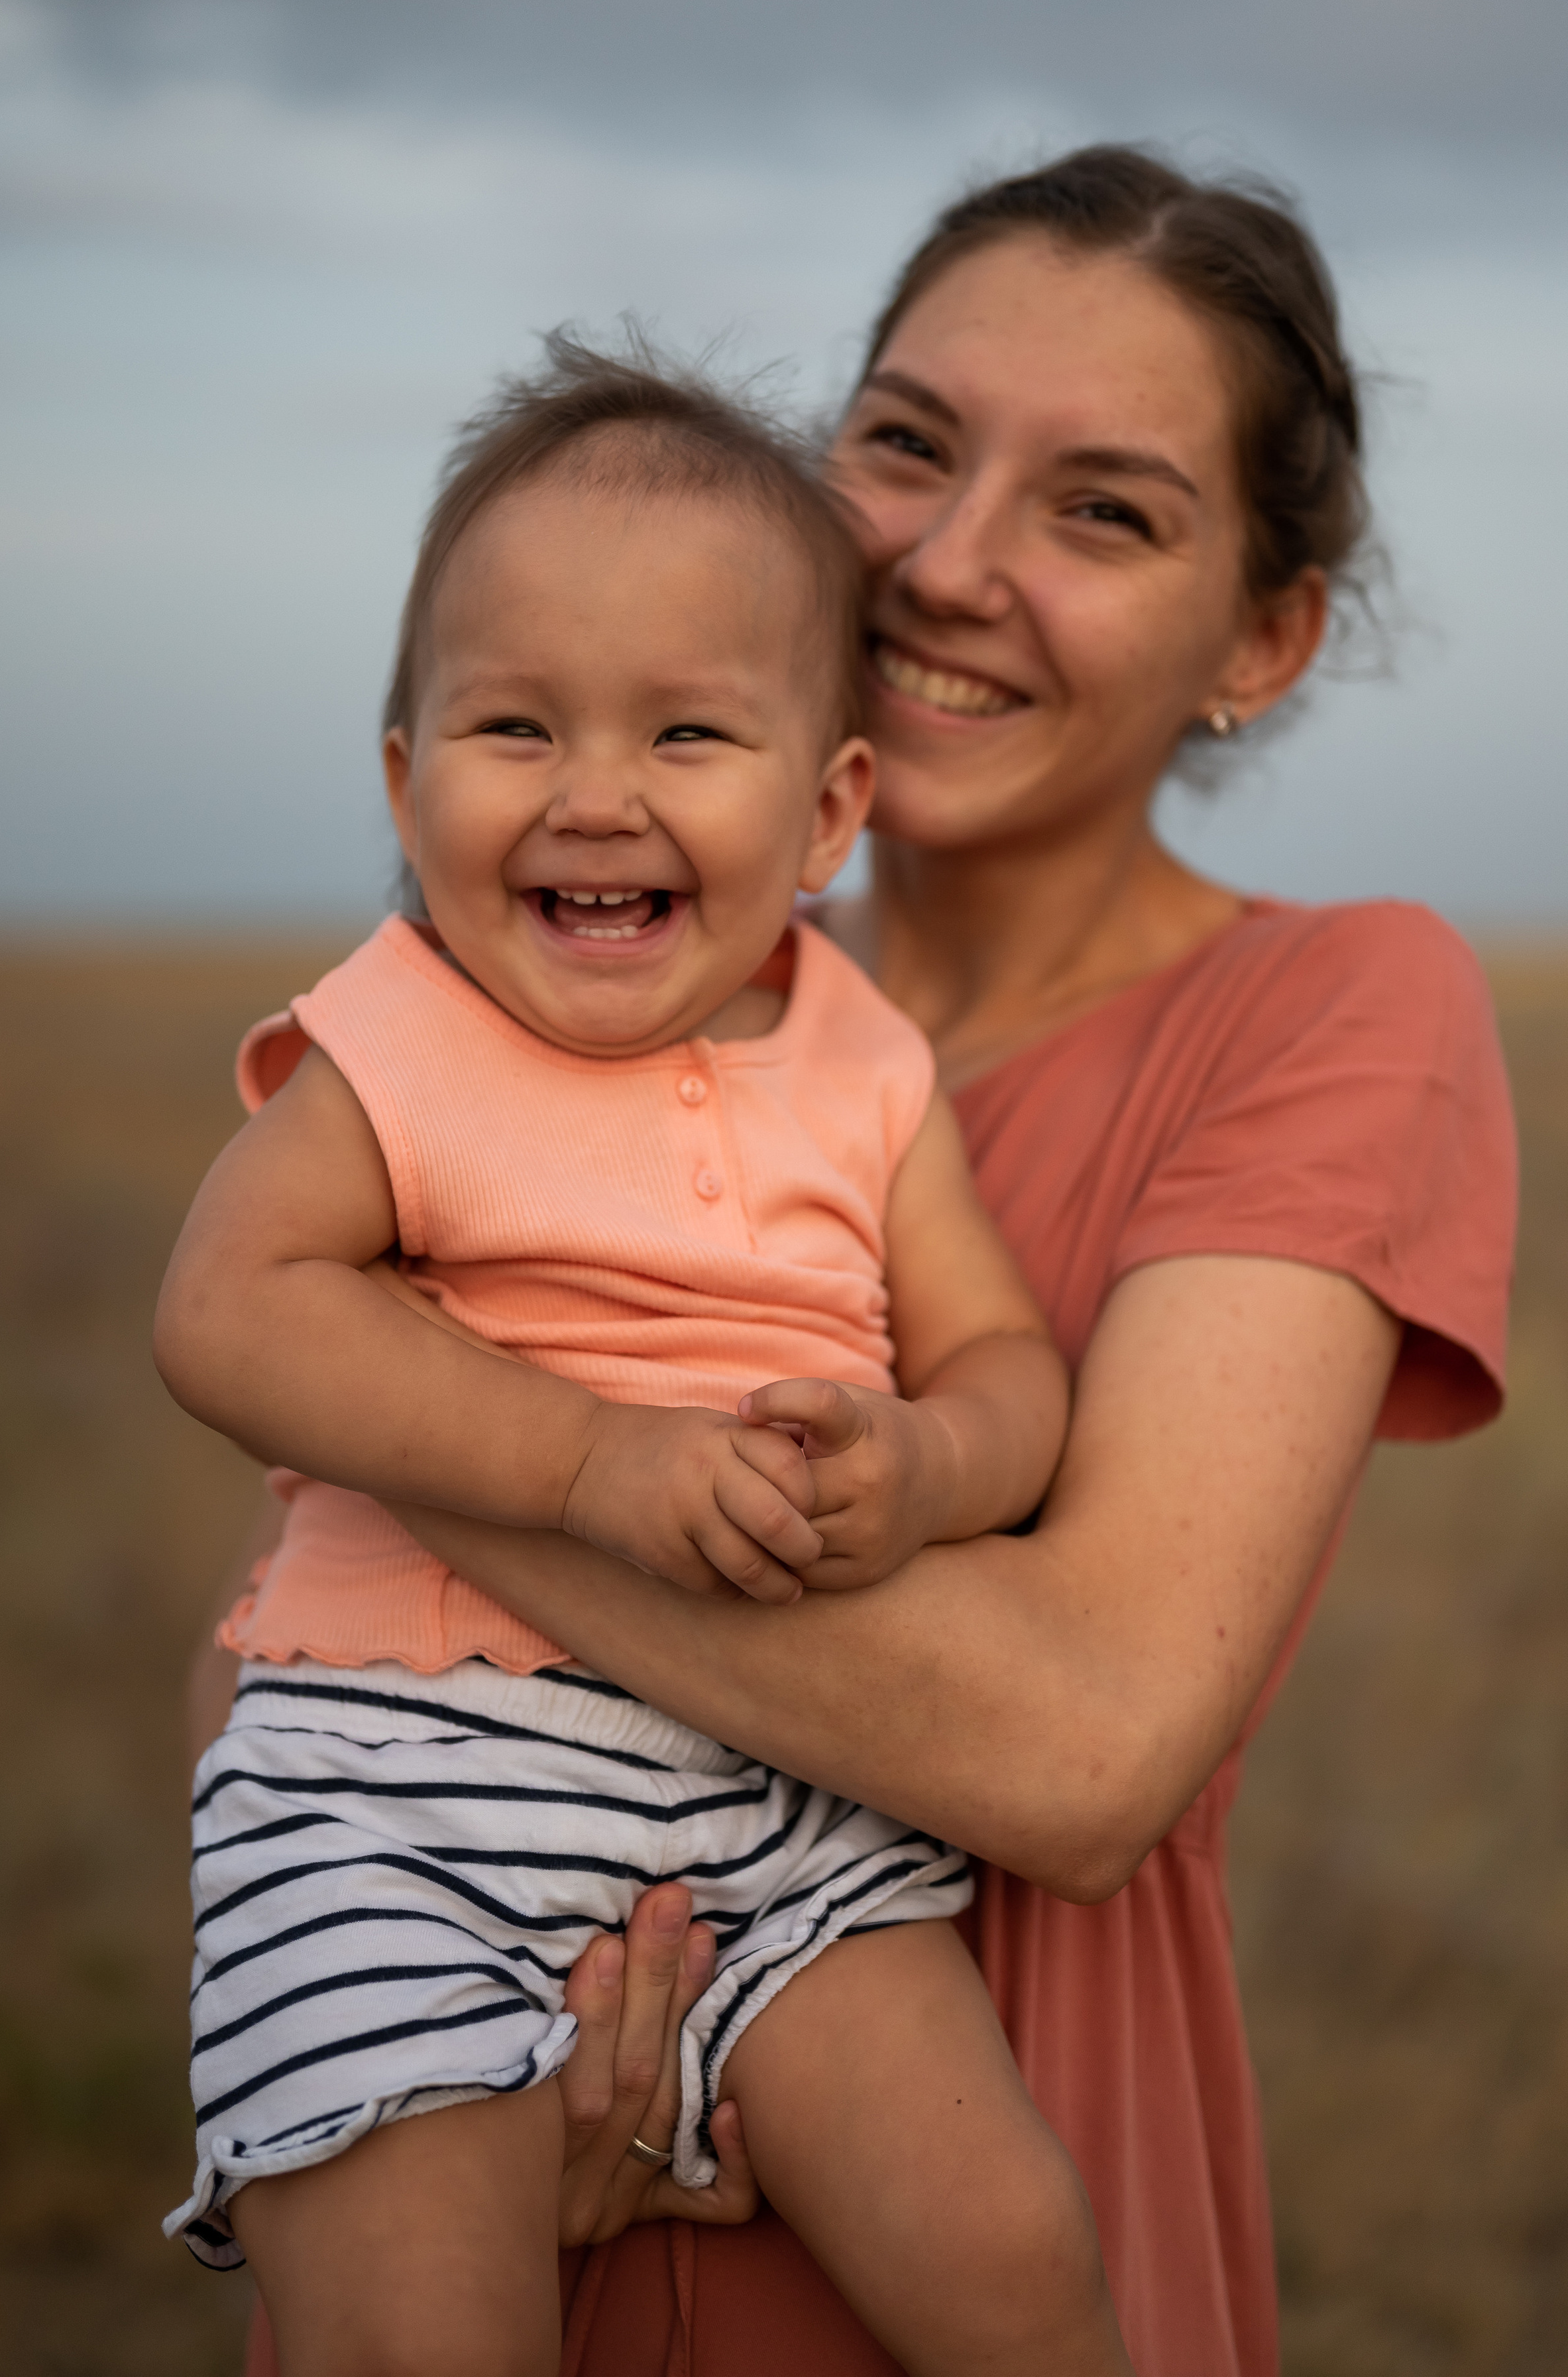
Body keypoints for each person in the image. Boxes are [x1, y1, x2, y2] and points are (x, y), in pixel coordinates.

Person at [206, 146, 1516, 2377]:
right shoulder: (584, 973)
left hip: (970, 2123)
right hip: (522, 2167)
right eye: (905, 441)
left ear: (1264, 637)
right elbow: (282, 1646)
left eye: (1105, 509)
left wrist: (439, 1403)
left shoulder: (1334, 1010)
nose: (942, 559)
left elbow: (1083, 1740)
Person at [156, 341, 1139, 2375]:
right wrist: (594, 1462)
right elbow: (229, 1306)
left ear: (827, 810)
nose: (594, 791)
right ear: (409, 775)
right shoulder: (397, 1039)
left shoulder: (866, 1068)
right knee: (428, 2336)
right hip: (394, 1797)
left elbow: (1006, 1366)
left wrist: (929, 1467)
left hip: (795, 1813)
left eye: (688, 730)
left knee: (1017, 2254)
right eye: (517, 725)